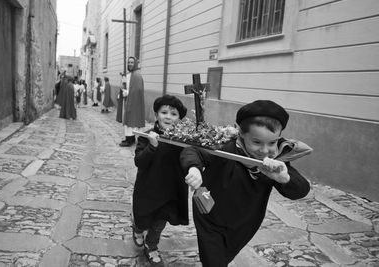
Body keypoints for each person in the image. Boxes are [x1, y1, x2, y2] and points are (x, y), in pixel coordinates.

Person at [180, 100, 311, 266]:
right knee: (212, 260)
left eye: (272, 143)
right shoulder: (224, 146)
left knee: (226, 255)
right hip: (207, 208)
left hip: (245, 220)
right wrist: (194, 169)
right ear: (240, 132)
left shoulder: (274, 161)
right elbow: (193, 150)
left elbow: (301, 190)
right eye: (256, 142)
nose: (264, 150)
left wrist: (285, 179)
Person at [132, 95, 188, 266]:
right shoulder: (146, 136)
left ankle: (152, 245)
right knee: (143, 218)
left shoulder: (182, 139)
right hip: (148, 188)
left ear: (179, 119)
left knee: (159, 223)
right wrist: (152, 146)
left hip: (170, 190)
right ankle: (137, 228)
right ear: (156, 115)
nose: (168, 117)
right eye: (164, 112)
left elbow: (189, 159)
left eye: (174, 114)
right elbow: (139, 161)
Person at [117, 56, 145, 147]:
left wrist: (127, 92)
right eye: (128, 62)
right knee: (129, 120)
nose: (130, 64)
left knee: (131, 120)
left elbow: (138, 89)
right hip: (129, 101)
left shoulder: (137, 75)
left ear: (135, 63)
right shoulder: (130, 74)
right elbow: (128, 86)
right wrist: (123, 84)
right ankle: (130, 138)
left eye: (132, 62)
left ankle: (130, 140)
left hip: (134, 102)